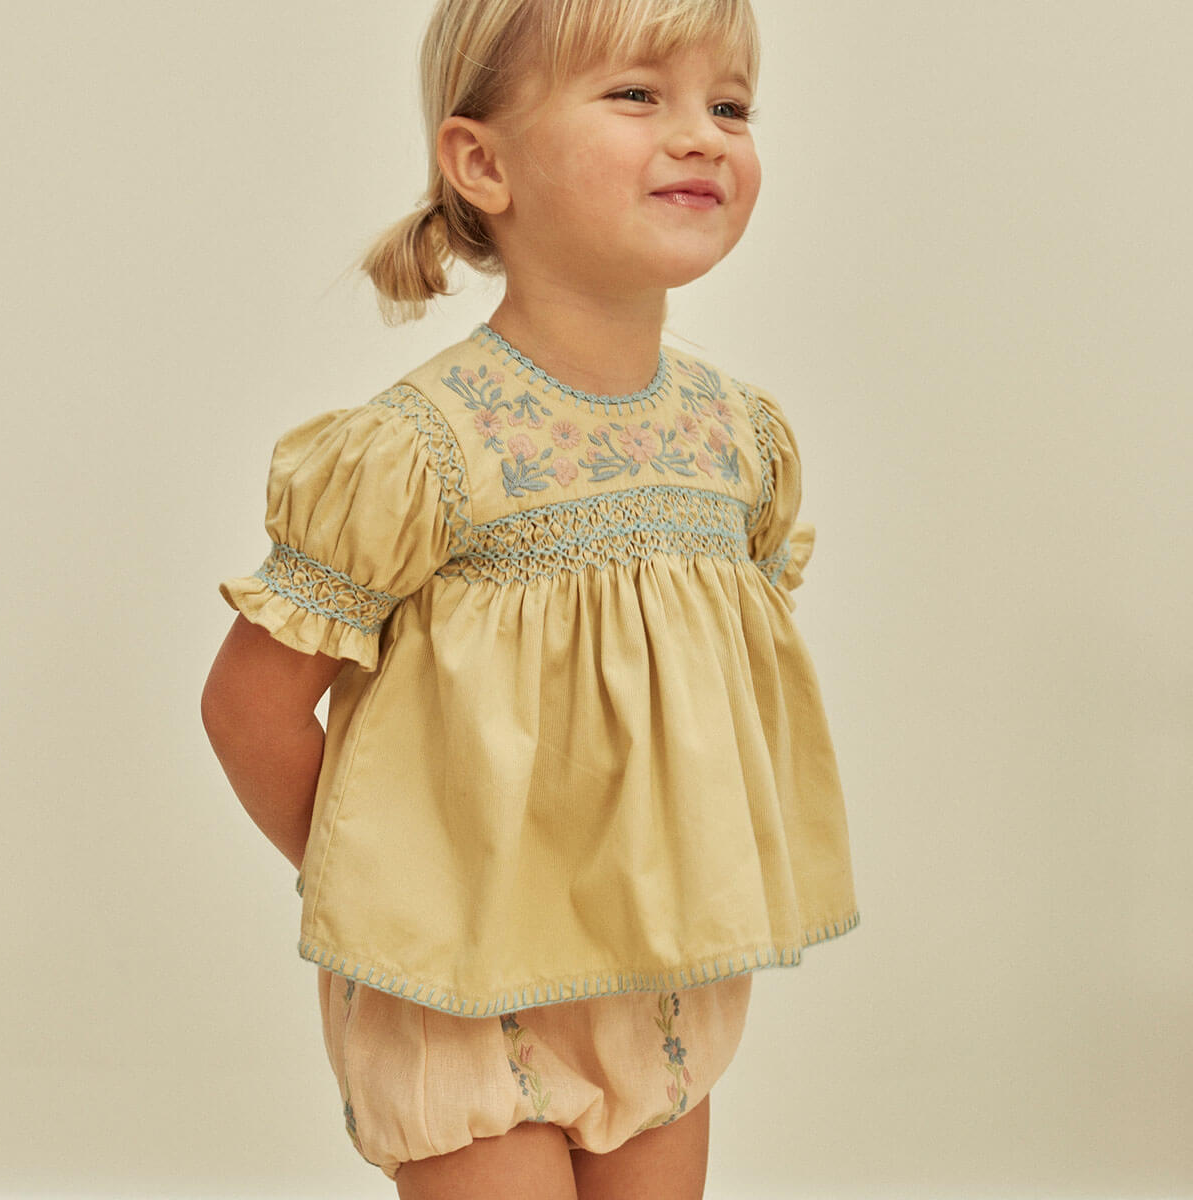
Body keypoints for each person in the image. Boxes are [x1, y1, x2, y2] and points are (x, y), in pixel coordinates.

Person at [201, 0, 859, 1195]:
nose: (702, 134)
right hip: (461, 991)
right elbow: (250, 706)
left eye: (730, 105)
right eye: (637, 95)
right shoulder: (422, 452)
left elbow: (697, 706)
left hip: (656, 974)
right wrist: (392, 892)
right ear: (482, 163)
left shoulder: (739, 444)